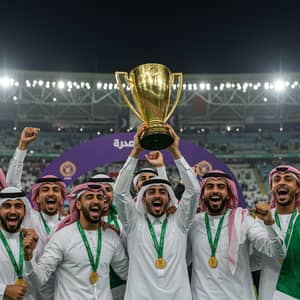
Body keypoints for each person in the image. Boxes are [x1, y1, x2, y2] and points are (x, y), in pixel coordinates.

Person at [114, 123, 201, 300]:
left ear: (169, 198)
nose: (157, 196)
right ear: (143, 198)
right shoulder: (133, 223)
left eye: (162, 192)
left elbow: (193, 191)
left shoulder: (180, 222)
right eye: (151, 192)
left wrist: (175, 151)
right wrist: (135, 151)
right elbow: (120, 193)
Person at [188, 170, 286, 300]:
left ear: (229, 194)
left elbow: (277, 253)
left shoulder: (244, 220)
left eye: (221, 187)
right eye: (210, 186)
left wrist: (269, 223)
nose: (215, 191)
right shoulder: (193, 224)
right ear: (203, 194)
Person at [23, 181, 128, 300]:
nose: (95, 201)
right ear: (78, 204)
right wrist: (28, 258)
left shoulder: (111, 236)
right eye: (89, 197)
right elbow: (39, 279)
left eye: (99, 197)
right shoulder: (61, 237)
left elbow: (126, 273)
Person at [257, 165, 300, 300]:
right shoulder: (258, 221)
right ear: (272, 188)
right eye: (276, 179)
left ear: (298, 188)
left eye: (288, 179)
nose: (281, 182)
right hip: (268, 293)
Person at [88, 174, 126, 300]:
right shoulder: (73, 223)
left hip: (119, 289)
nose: (103, 194)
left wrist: (118, 238)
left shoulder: (125, 220)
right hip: (86, 289)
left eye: (108, 190)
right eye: (98, 190)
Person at [0, 186, 37, 300]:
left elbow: (40, 282)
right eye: (7, 206)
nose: (12, 211)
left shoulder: (33, 240)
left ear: (24, 211)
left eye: (18, 206)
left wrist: (29, 257)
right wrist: (4, 289)